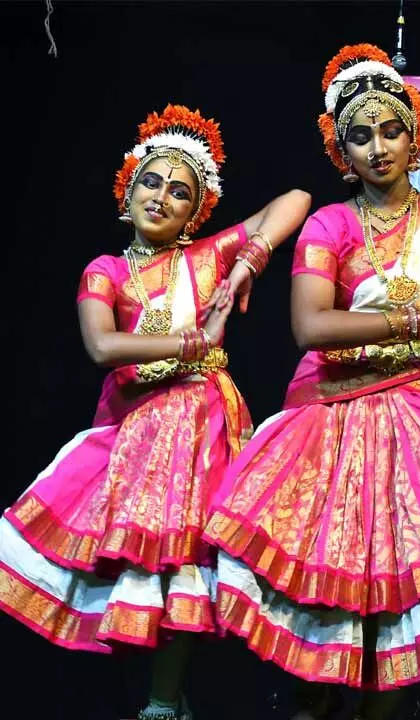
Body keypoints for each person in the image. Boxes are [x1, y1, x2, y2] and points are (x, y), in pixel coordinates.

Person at [202, 44, 420, 720]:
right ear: (341, 150)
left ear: (415, 135)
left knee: (398, 613)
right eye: (360, 136)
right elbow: (311, 327)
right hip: (332, 415)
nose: (377, 147)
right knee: (325, 609)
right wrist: (418, 315)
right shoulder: (329, 224)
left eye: (390, 130)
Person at [0, 104, 310, 720]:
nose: (161, 197)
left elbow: (295, 198)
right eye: (151, 181)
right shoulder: (106, 270)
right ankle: (145, 698)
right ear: (128, 188)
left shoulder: (204, 259)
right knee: (133, 573)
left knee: (183, 563)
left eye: (180, 192)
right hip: (131, 429)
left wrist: (247, 262)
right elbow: (101, 346)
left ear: (195, 213)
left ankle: (165, 703)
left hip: (199, 427)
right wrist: (190, 344)